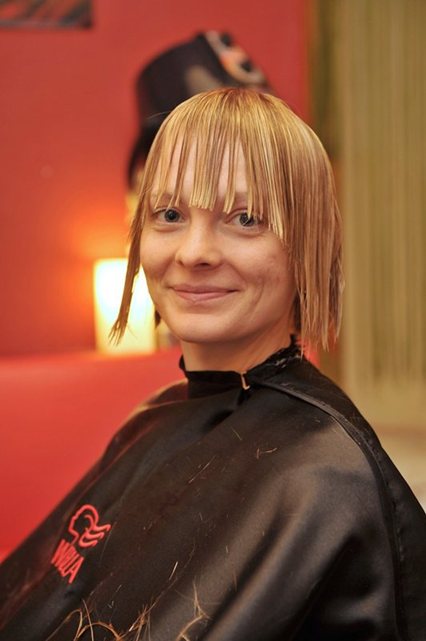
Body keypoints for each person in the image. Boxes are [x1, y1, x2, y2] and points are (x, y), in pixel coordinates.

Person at [0, 88, 425, 641]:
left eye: (245, 218)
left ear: (308, 242)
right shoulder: (154, 417)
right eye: (170, 215)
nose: (194, 252)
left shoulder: (323, 477)